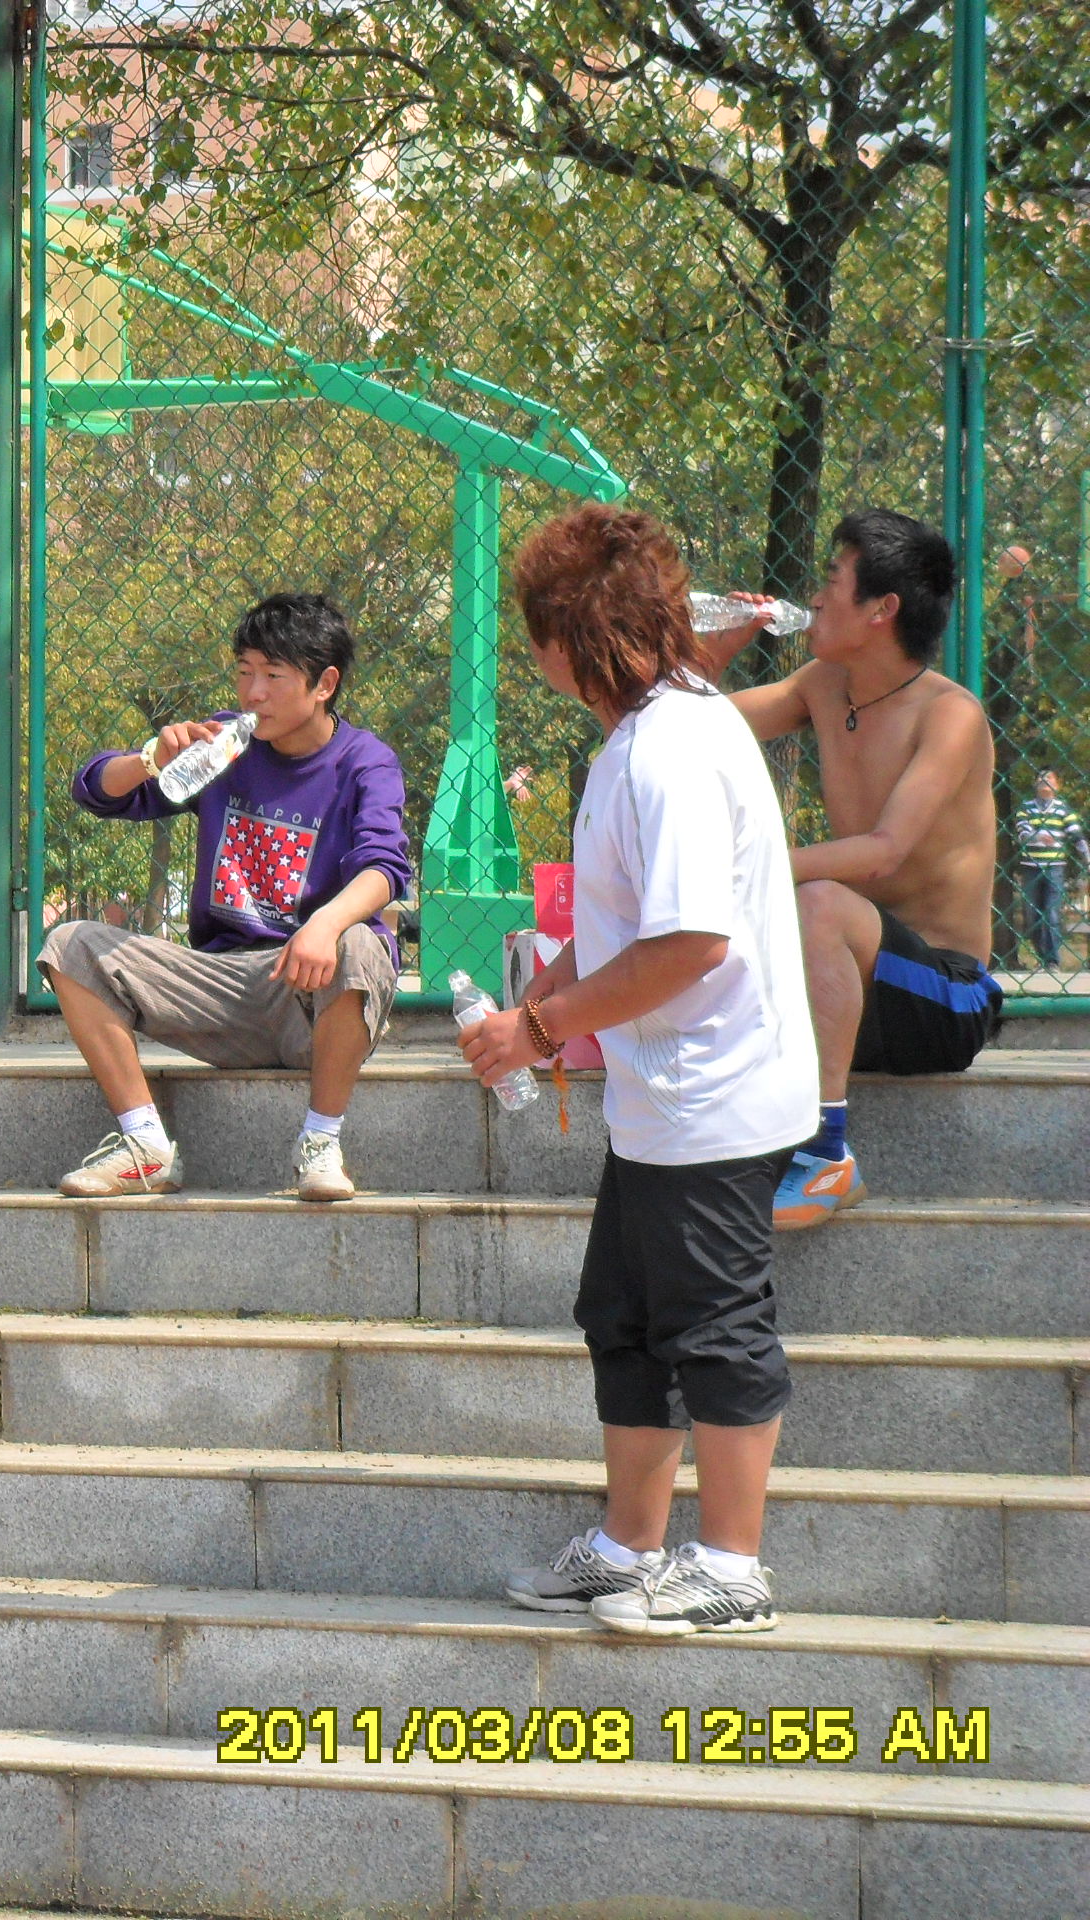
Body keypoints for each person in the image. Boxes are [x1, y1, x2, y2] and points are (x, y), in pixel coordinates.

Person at [475, 503, 816, 1637]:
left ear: (566, 641)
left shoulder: (670, 751)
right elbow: (626, 923)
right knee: (621, 1316)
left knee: (716, 1329)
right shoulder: (653, 734)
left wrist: (539, 1030)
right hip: (661, 1101)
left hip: (713, 1096)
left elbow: (687, 945)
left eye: (536, 630)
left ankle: (732, 1569)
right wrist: (533, 1008)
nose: (533, 653)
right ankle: (628, 1549)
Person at [35, 593, 409, 1202]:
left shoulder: (366, 761)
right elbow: (95, 792)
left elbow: (384, 867)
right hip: (219, 986)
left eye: (273, 676)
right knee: (70, 944)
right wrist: (151, 759)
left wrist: (324, 925)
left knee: (361, 943)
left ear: (324, 684)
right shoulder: (225, 743)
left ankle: (319, 1143)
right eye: (244, 672)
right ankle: (146, 1147)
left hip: (311, 995)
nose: (253, 693)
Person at [707, 510, 999, 1229]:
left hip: (945, 997)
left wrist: (755, 866)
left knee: (817, 901)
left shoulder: (950, 715)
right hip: (850, 993)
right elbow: (690, 732)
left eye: (833, 579)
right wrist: (708, 660)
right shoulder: (823, 683)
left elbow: (884, 850)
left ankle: (826, 1155)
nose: (813, 597)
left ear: (880, 609)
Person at [1014, 768, 1088, 971]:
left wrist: (1086, 855)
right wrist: (1037, 836)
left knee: (1051, 913)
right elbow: (1022, 832)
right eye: (1041, 777)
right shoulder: (1026, 808)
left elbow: (1076, 835)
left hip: (1055, 868)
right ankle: (1041, 955)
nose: (1044, 780)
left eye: (1049, 778)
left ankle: (1052, 960)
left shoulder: (1063, 810)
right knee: (1032, 914)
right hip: (1031, 867)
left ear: (1057, 785)